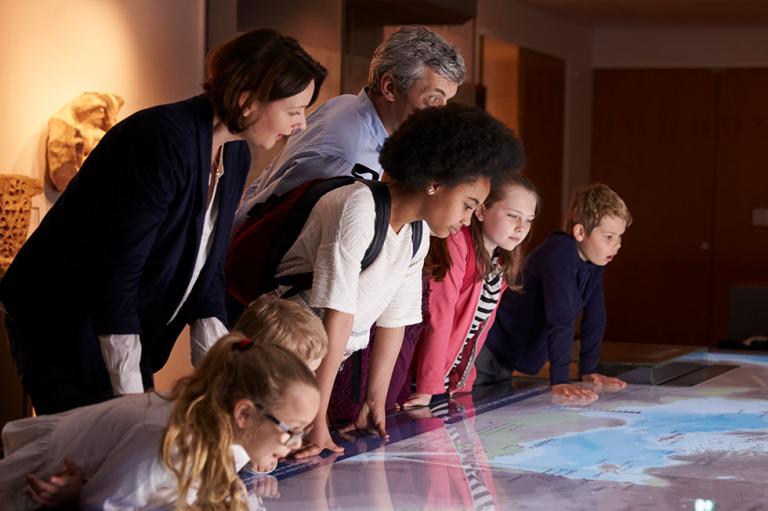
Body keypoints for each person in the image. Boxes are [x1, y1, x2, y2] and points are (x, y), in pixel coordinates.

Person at [0, 29, 327, 414]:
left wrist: (225, 378)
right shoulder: (161, 139)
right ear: (247, 102)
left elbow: (208, 274)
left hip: (119, 323)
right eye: (293, 110)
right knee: (88, 453)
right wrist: (134, 406)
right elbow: (117, 273)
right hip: (64, 325)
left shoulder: (234, 152)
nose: (301, 124)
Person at [257, 103, 520, 458]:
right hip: (279, 360)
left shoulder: (417, 234)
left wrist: (374, 402)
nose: (469, 219)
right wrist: (316, 421)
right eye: (468, 204)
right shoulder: (359, 206)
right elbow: (337, 318)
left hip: (316, 366)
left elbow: (394, 322)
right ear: (435, 182)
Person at [0, 335, 320, 510]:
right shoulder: (167, 439)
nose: (295, 444)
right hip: (41, 487)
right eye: (291, 431)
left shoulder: (233, 436)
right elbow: (104, 504)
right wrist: (81, 492)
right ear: (245, 414)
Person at [233, 25, 465, 229]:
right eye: (434, 99)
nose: (441, 112)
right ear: (390, 88)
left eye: (446, 101)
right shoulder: (345, 158)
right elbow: (291, 230)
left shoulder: (346, 103)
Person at [476, 183, 633, 403]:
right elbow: (561, 318)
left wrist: (588, 371)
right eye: (609, 237)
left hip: (508, 358)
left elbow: (595, 317)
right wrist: (560, 381)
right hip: (488, 349)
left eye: (620, 237)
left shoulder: (594, 262)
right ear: (580, 232)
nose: (617, 245)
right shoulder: (558, 254)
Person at [401, 173, 538, 408]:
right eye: (513, 216)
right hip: (419, 381)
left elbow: (478, 329)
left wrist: (462, 383)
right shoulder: (457, 243)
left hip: (447, 384)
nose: (521, 228)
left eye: (529, 220)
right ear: (482, 211)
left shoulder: (500, 262)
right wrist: (428, 387)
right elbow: (439, 317)